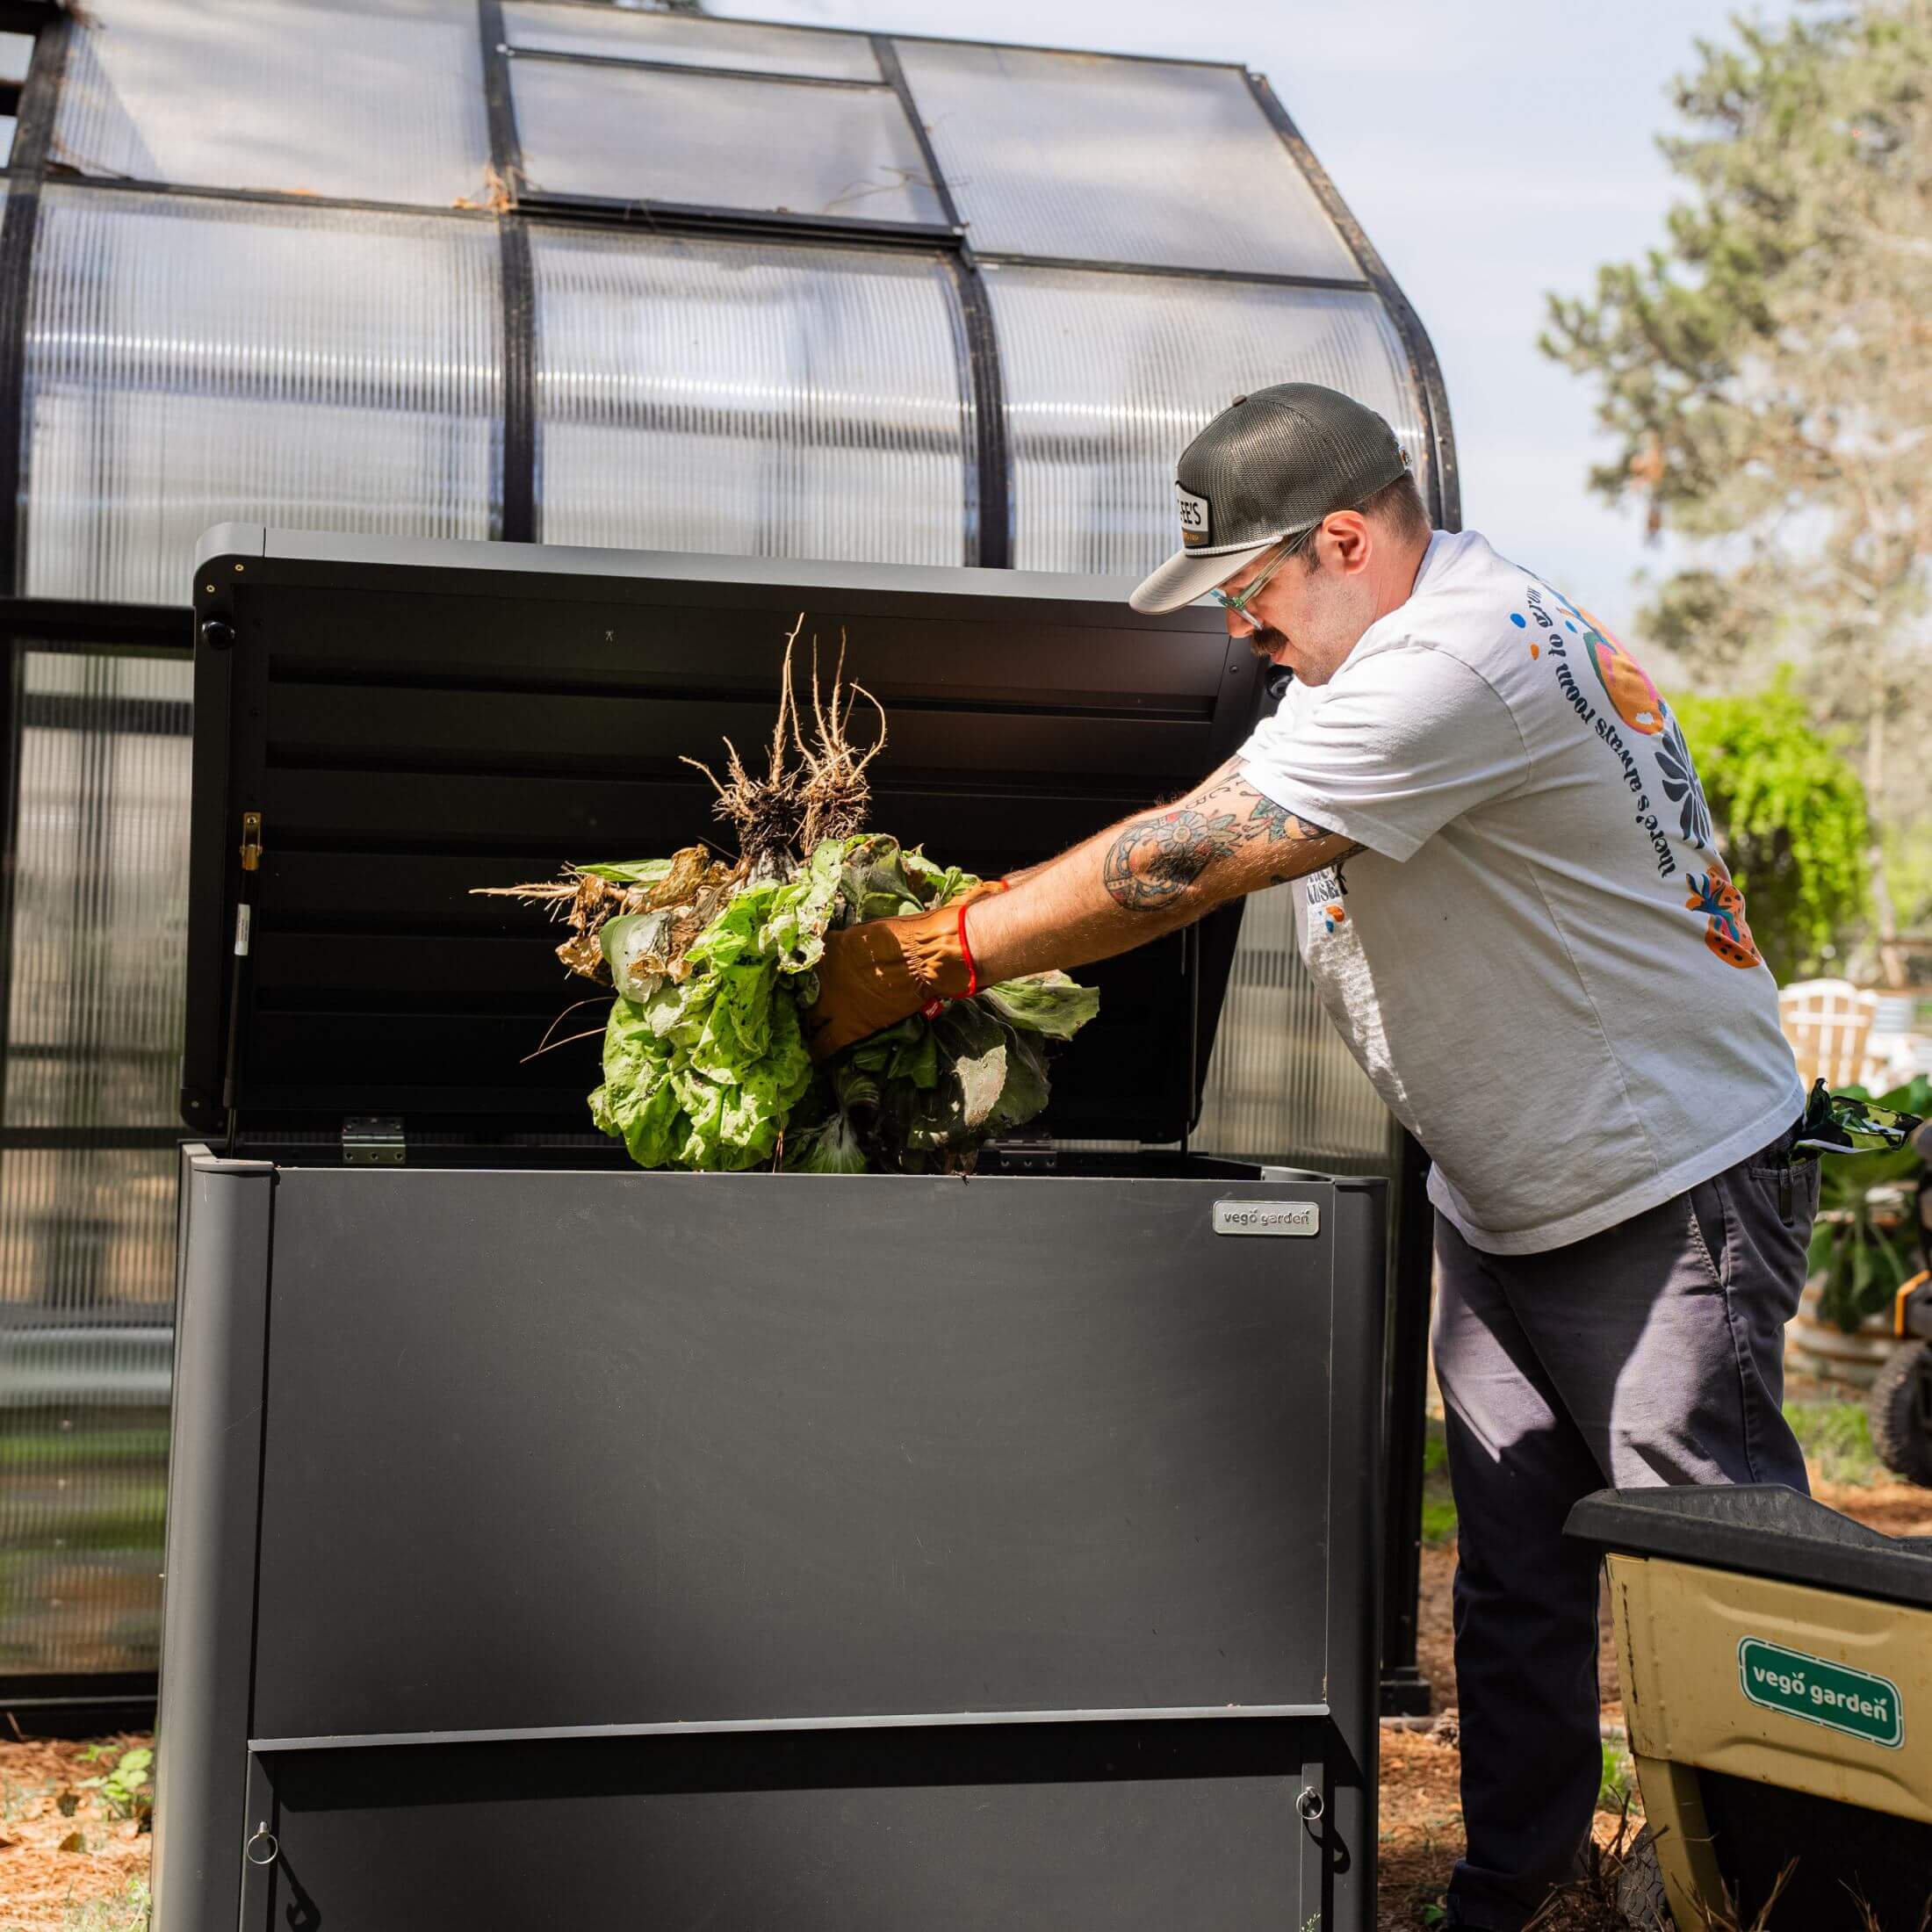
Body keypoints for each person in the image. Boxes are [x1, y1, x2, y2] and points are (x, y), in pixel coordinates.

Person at [803, 382, 1817, 1931]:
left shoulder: (1457, 661)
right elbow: (1212, 805)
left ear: (1345, 537)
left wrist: (933, 952)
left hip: (1664, 1187)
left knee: (1724, 1591)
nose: (1236, 632)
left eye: (1250, 589)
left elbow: (1192, 860)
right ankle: (1517, 1895)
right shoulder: (1366, 655)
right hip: (1513, 1194)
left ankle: (1804, 1900)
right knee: (1515, 1588)